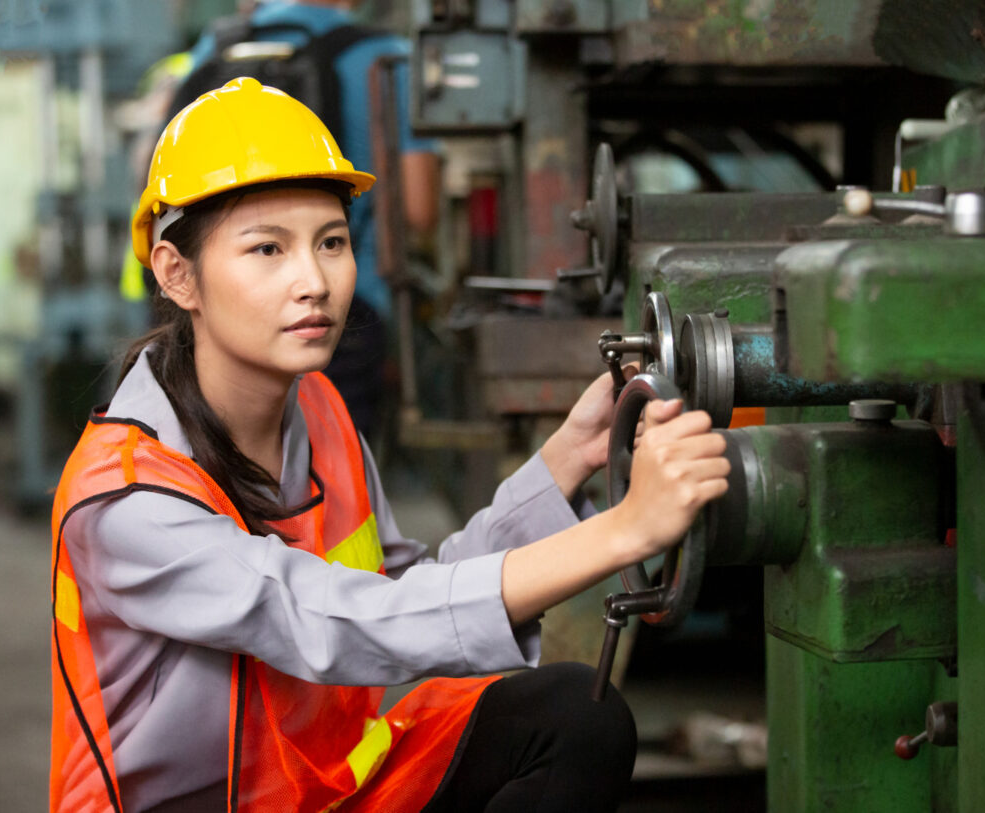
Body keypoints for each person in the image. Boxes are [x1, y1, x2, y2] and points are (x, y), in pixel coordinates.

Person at [49, 78, 730, 812]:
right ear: (177, 274)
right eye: (267, 248)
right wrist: (625, 531)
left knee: (573, 715)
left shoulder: (317, 407)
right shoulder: (124, 497)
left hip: (325, 787)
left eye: (332, 242)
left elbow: (404, 594)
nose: (314, 281)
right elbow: (339, 621)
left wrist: (569, 458)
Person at [183, 0, 439, 441]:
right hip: (345, 313)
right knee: (334, 463)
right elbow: (418, 209)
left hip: (225, 312)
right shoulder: (384, 56)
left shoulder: (215, 48)